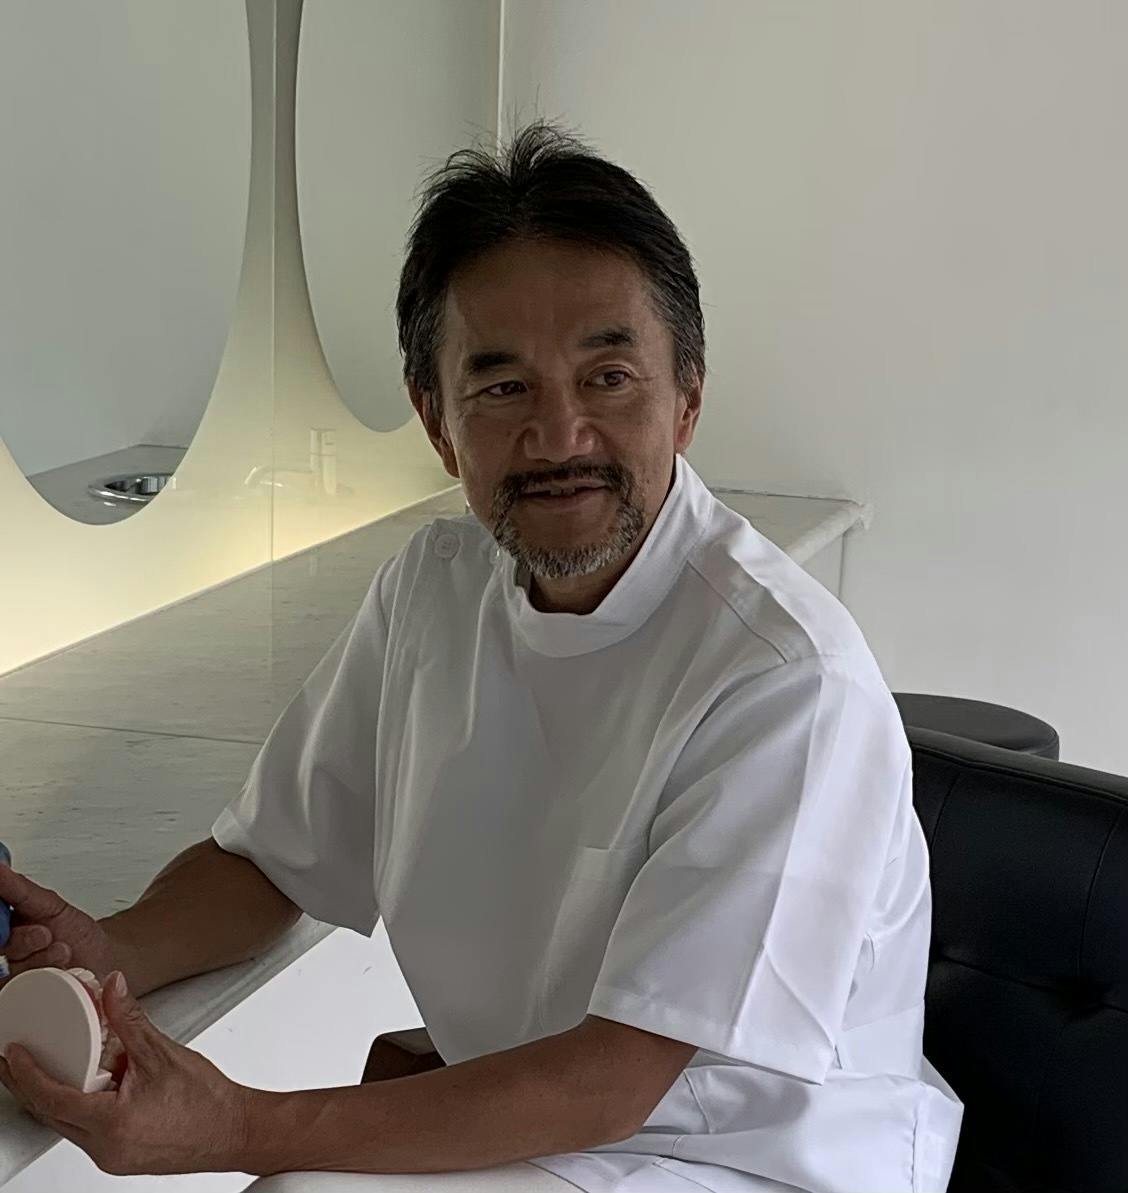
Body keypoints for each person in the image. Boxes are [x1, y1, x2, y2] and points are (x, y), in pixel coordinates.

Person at [0, 120, 963, 1192]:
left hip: (743, 1158)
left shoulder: (785, 678)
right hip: (554, 1116)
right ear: (436, 419)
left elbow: (614, 1079)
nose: (560, 436)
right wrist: (113, 952)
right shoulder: (433, 590)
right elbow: (271, 859)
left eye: (608, 376)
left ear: (687, 396)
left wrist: (236, 1125)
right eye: (503, 387)